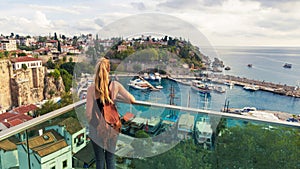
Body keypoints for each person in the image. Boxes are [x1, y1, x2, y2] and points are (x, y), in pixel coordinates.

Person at [86, 57, 135, 169]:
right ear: (108, 69)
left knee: (99, 160)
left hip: (95, 128)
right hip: (112, 127)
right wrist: (115, 97)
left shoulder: (91, 89)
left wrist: (95, 125)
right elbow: (132, 100)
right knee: (110, 158)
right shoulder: (115, 86)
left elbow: (88, 114)